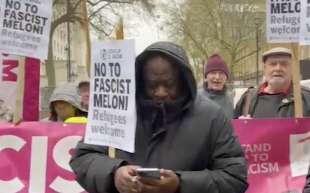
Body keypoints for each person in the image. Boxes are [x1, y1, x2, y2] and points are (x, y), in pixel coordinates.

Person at [70, 41, 248, 193]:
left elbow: (234, 177)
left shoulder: (212, 116)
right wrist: (114, 174)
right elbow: (83, 159)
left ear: (183, 81)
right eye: (152, 85)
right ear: (141, 81)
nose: (161, 92)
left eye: (169, 84)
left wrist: (180, 184)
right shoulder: (116, 110)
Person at [234, 47, 310, 118]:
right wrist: (241, 127)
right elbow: (230, 130)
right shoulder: (248, 98)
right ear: (264, 68)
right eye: (273, 64)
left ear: (293, 69)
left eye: (284, 64)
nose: (278, 68)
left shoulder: (306, 98)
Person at [199, 54, 234, 119]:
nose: (217, 77)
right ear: (206, 77)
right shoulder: (196, 99)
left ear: (226, 77)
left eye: (221, 73)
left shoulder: (229, 99)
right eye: (213, 73)